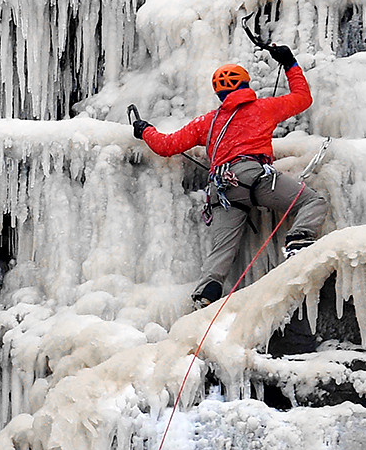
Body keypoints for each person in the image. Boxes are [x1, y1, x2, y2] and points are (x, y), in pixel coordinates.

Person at [132, 45, 328, 309]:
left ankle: (205, 295)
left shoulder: (207, 122)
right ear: (245, 84)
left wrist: (145, 130)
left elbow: (166, 146)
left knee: (222, 250)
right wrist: (289, 63)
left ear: (219, 93)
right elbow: (303, 98)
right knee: (312, 201)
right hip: (255, 176)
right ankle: (298, 240)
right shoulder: (263, 108)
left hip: (222, 189)